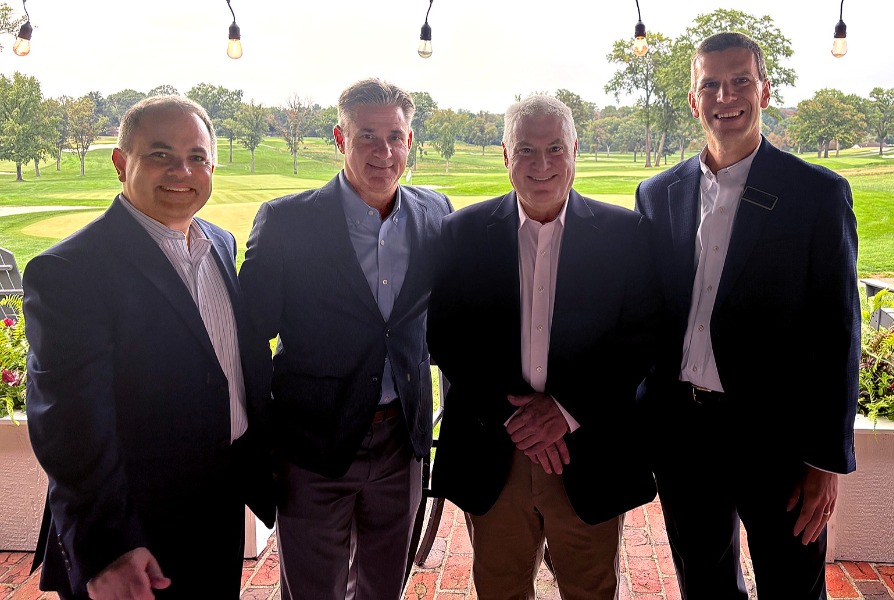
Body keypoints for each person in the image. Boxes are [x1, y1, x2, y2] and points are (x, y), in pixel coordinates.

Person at [635, 32, 860, 599]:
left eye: (739, 81)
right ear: (693, 98)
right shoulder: (658, 194)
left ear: (763, 89)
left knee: (792, 587)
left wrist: (826, 460)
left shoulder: (817, 195)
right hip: (684, 437)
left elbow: (839, 337)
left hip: (779, 442)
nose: (725, 95)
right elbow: (647, 320)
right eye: (710, 83)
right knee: (704, 586)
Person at [23, 95, 274, 600]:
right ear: (121, 163)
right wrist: (109, 547)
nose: (182, 171)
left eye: (197, 157)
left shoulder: (219, 243)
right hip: (135, 525)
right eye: (160, 155)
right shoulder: (71, 271)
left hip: (218, 502)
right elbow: (69, 426)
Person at [427, 94, 661, 600]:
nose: (542, 164)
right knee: (500, 588)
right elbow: (447, 336)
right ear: (505, 155)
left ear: (575, 149)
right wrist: (516, 416)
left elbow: (640, 339)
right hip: (495, 449)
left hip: (589, 451)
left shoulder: (625, 235)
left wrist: (565, 410)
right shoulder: (461, 233)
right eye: (526, 150)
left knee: (591, 589)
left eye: (555, 148)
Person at [238, 77, 452, 600]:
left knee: (383, 588)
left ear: (410, 140)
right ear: (339, 137)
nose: (384, 151)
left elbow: (440, 321)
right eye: (367, 137)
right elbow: (249, 336)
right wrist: (264, 439)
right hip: (313, 445)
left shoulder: (435, 213)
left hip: (402, 443)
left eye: (396, 137)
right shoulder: (287, 221)